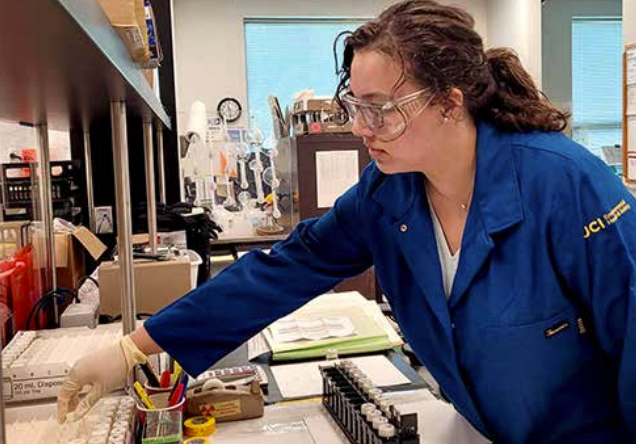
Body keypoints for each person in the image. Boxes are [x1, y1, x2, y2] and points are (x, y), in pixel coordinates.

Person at [58, 1, 636, 443]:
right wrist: (135, 349)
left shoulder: (566, 184)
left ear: (449, 101)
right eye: (355, 106)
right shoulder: (389, 195)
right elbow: (282, 269)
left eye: (381, 109)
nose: (361, 128)